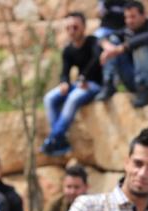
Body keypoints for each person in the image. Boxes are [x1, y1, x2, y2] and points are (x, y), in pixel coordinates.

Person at [41, 12, 103, 157]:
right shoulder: (68, 50)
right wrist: (64, 83)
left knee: (73, 98)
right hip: (79, 84)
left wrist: (83, 78)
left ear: (84, 27)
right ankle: (59, 140)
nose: (71, 31)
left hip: (95, 84)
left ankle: (54, 138)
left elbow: (96, 61)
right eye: (68, 28)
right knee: (49, 98)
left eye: (75, 27)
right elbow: (65, 71)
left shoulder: (93, 42)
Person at [96, 1, 148, 108]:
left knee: (140, 47)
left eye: (133, 17)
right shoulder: (127, 30)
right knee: (113, 40)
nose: (129, 21)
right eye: (127, 17)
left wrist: (121, 48)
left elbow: (143, 39)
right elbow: (103, 38)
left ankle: (143, 90)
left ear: (144, 15)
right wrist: (108, 47)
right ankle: (109, 83)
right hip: (130, 78)